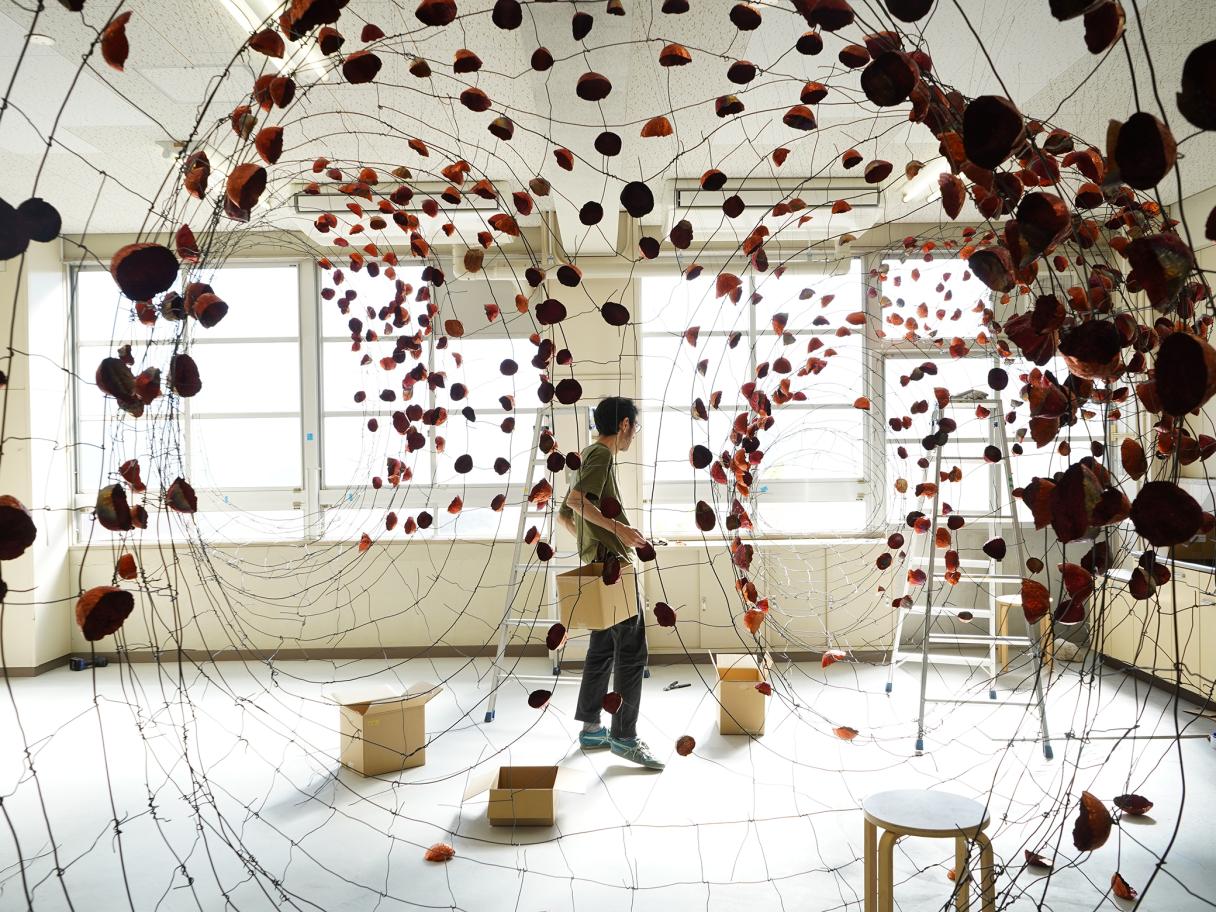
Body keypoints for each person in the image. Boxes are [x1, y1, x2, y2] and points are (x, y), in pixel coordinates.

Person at [557, 396, 664, 770]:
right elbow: (576, 501)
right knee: (633, 653)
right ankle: (624, 737)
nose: (633, 434)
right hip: (613, 567)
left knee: (602, 648)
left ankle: (590, 728)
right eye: (633, 427)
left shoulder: (586, 455)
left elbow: (565, 515)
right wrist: (619, 533)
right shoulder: (601, 456)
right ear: (623, 425)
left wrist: (593, 543)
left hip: (600, 563)